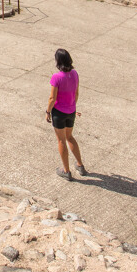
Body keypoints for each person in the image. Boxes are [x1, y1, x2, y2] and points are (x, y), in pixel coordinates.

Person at [45, 48, 85, 180]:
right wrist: (73, 106)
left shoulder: (56, 77)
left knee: (61, 141)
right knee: (70, 137)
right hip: (71, 111)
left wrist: (47, 112)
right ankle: (80, 165)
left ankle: (66, 171)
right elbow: (77, 93)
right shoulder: (75, 74)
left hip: (59, 113)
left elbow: (52, 98)